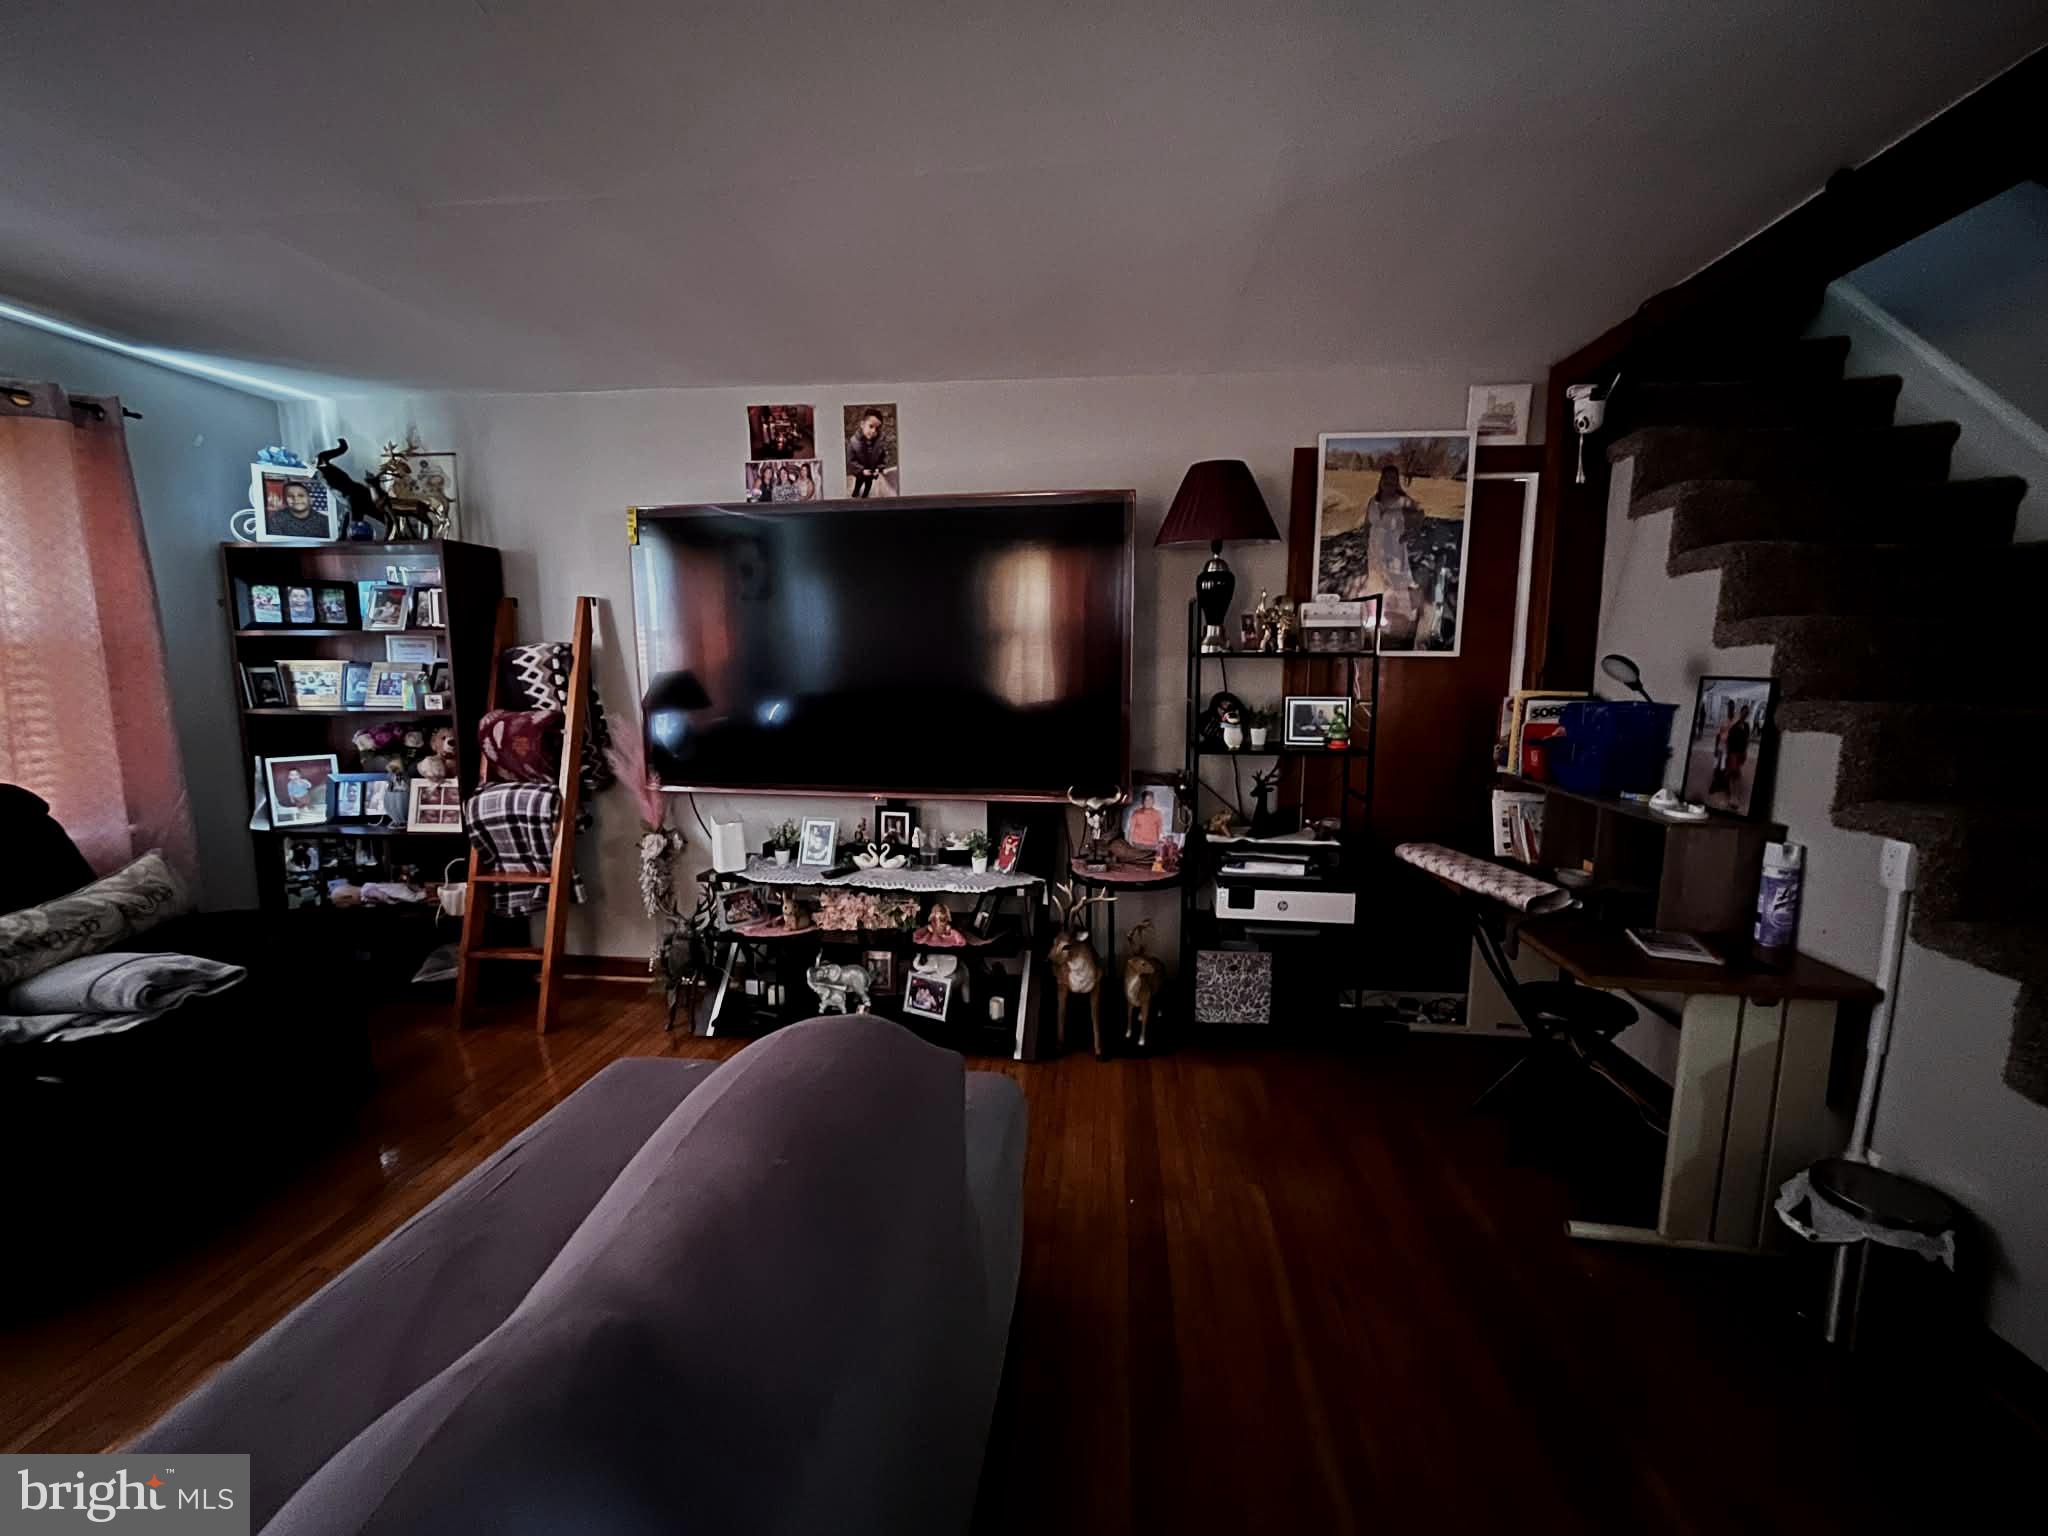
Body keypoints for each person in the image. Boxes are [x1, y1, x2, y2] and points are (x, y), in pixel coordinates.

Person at [1363, 465, 1422, 642]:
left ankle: (1409, 619)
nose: (1389, 481)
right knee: (1374, 583)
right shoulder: (1373, 501)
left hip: (1394, 550)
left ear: (1396, 482)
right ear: (1381, 480)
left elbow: (1420, 514)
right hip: (1374, 550)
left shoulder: (1403, 501)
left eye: (1393, 478)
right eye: (1386, 477)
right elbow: (1368, 523)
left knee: (1399, 583)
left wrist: (1412, 533)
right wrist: (1367, 538)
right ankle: (1376, 618)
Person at [847, 409, 890, 497]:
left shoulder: (878, 443)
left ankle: (865, 496)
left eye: (877, 428)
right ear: (862, 424)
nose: (874, 431)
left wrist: (878, 468)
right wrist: (861, 470)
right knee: (858, 484)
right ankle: (855, 493)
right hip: (861, 472)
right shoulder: (854, 442)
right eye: (871, 426)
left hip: (871, 472)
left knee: (868, 485)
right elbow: (851, 461)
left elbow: (882, 457)